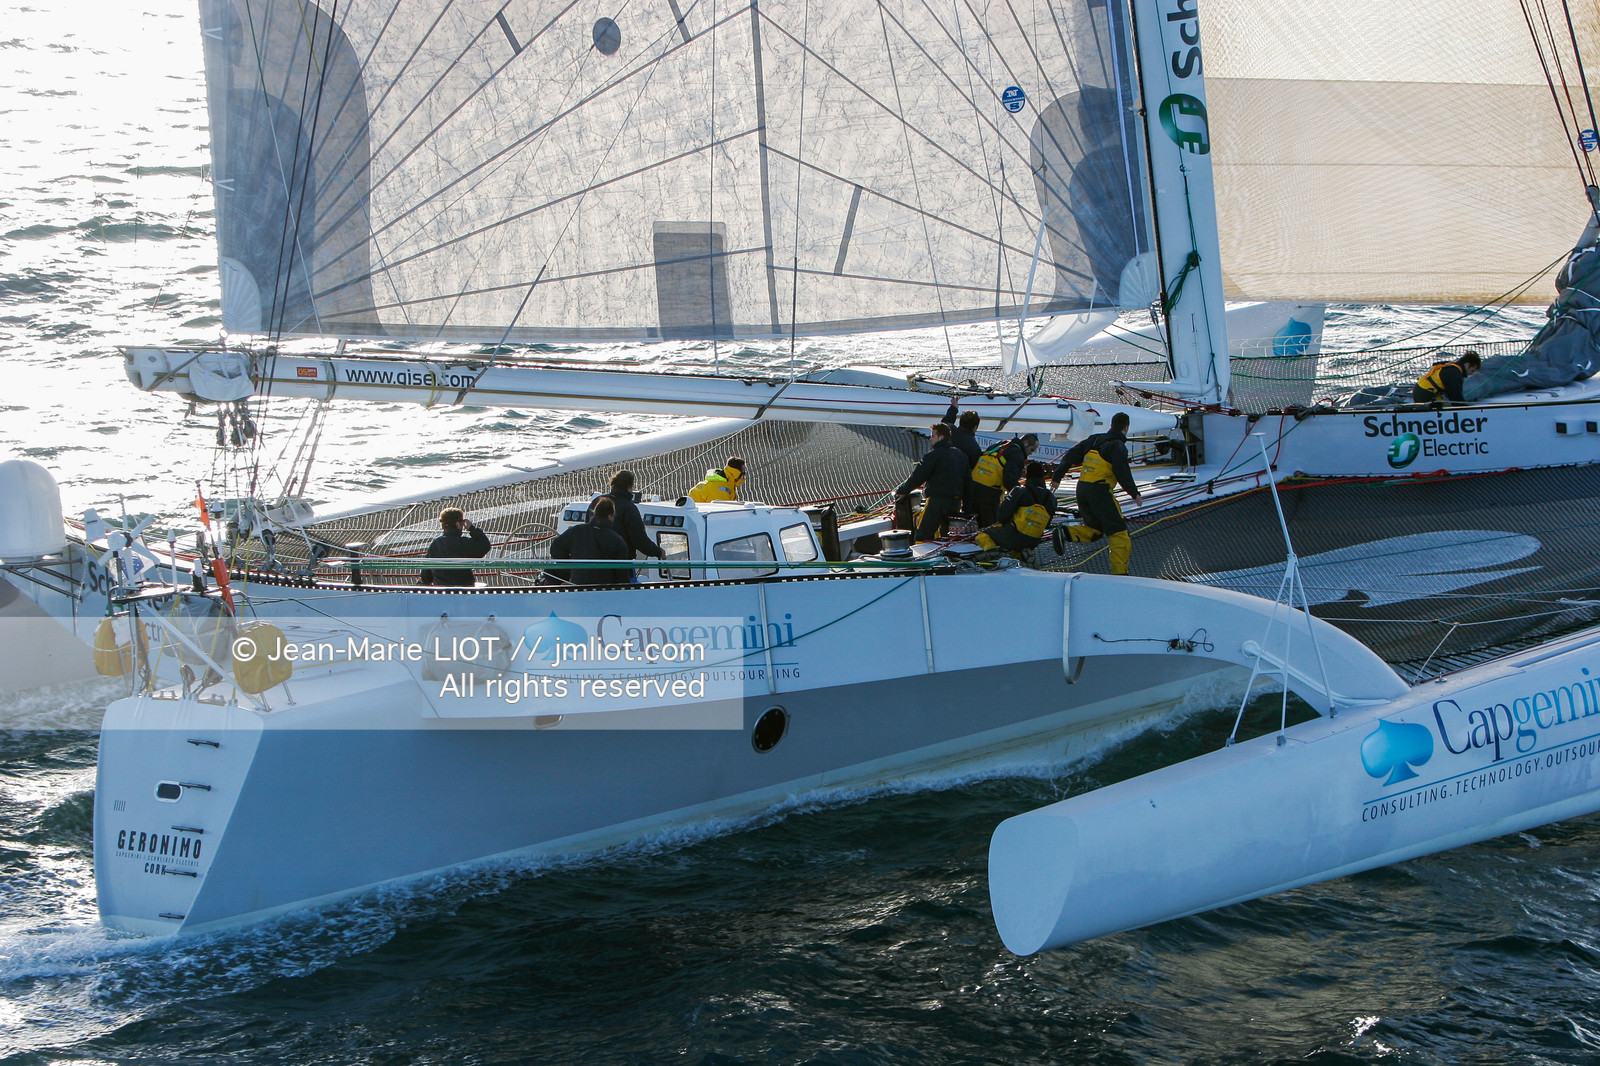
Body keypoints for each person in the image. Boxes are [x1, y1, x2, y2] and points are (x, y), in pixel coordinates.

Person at [1051, 412, 1141, 576]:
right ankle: (1120, 575)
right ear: (1126, 428)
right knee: (1119, 534)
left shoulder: (1094, 440)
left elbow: (1070, 455)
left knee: (1095, 530)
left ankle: (1065, 533)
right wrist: (1134, 493)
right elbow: (1122, 471)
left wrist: (1057, 477)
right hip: (1099, 491)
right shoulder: (1118, 446)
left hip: (1082, 489)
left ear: (1111, 425)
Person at [896, 422, 969, 542]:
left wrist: (902, 490)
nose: (930, 439)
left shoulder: (933, 456)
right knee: (947, 536)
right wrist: (967, 507)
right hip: (955, 503)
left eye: (933, 436)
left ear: (941, 437)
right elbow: (968, 483)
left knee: (923, 535)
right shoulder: (961, 455)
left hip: (937, 503)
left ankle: (920, 558)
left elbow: (917, 477)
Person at [973, 460, 1057, 557]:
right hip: (1034, 540)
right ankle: (1020, 557)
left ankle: (993, 555)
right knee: (1018, 540)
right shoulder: (1052, 498)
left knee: (984, 535)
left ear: (1027, 475)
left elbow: (1002, 515)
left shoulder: (1020, 491)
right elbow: (1047, 524)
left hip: (1015, 535)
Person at [548, 497, 633, 585]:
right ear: (610, 516)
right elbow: (622, 576)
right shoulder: (617, 540)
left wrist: (571, 568)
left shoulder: (576, 531)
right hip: (605, 590)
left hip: (578, 585)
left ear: (595, 513)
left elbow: (556, 548)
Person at [970, 432, 1038, 527]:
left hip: (972, 486)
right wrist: (1021, 496)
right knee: (989, 527)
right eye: (1031, 450)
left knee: (972, 525)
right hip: (989, 492)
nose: (1031, 453)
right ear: (1025, 442)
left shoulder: (1000, 444)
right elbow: (1010, 480)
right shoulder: (1017, 454)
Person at [419, 508, 491, 587]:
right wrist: (471, 528)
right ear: (457, 524)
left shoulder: (436, 544)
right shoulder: (464, 543)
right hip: (464, 589)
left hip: (442, 590)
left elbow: (426, 573)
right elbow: (485, 545)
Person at [606, 469, 665, 563]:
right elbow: (639, 539)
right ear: (629, 486)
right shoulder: (628, 508)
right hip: (621, 563)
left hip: (595, 563)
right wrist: (658, 552)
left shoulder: (596, 502)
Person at [942, 404, 983, 515]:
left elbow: (945, 422)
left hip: (936, 485)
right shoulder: (975, 449)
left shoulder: (948, 430)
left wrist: (954, 408)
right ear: (975, 427)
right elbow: (971, 477)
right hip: (954, 491)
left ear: (960, 422)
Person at [1412, 350, 1481, 403]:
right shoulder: (1454, 373)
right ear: (1467, 365)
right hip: (1425, 394)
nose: (1472, 374)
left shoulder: (1452, 366)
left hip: (1421, 389)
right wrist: (1465, 409)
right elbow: (1455, 396)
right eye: (1472, 370)